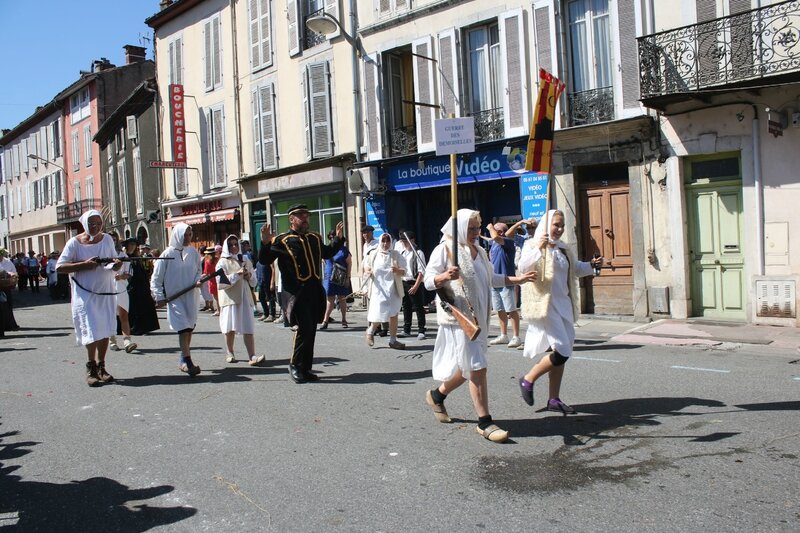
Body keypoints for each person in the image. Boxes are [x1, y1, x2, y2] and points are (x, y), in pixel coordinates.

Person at [422, 209, 537, 443]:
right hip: (459, 320)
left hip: (480, 319)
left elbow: (492, 278)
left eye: (478, 227)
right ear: (460, 228)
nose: (476, 232)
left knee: (468, 369)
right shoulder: (444, 249)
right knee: (477, 367)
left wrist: (518, 279)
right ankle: (485, 422)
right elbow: (427, 281)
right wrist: (444, 276)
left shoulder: (481, 251)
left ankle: (437, 395)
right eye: (471, 228)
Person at [517, 209, 604, 414]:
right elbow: (522, 267)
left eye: (562, 225)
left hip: (563, 304)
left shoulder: (563, 248)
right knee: (563, 350)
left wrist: (591, 266)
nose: (559, 229)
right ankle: (528, 379)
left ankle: (553, 399)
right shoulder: (532, 244)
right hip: (545, 306)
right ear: (546, 225)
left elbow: (575, 269)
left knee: (560, 353)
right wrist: (539, 247)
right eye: (556, 224)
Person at [258, 204, 345, 383]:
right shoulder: (282, 240)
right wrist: (265, 243)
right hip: (296, 292)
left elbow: (328, 253)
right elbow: (265, 260)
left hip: (314, 290)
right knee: (304, 328)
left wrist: (337, 239)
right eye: (300, 216)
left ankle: (306, 368)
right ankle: (295, 365)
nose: (305, 218)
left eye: (306, 215)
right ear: (291, 219)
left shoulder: (314, 237)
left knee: (311, 329)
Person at [56, 210, 123, 387]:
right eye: (91, 224)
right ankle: (91, 366)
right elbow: (60, 267)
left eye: (98, 224)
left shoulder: (107, 239)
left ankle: (102, 366)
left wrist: (116, 264)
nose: (95, 227)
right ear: (85, 224)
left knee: (105, 329)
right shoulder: (74, 243)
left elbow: (111, 261)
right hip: (85, 296)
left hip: (105, 292)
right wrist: (84, 265)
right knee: (91, 329)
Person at [151, 223, 203, 376]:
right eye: (184, 235)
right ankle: (188, 361)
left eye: (189, 235)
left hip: (191, 296)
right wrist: (159, 296)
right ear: (177, 235)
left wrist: (198, 280)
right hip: (175, 298)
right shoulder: (167, 254)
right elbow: (156, 279)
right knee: (183, 328)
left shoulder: (193, 253)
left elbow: (198, 271)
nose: (187, 238)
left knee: (189, 327)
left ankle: (183, 358)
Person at [216, 235, 265, 366]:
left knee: (248, 326)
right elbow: (221, 283)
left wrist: (248, 276)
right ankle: (230, 352)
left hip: (245, 296)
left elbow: (254, 282)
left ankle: (252, 355)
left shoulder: (245, 259)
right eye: (231, 245)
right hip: (230, 298)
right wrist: (237, 275)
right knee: (229, 327)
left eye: (235, 244)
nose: (234, 247)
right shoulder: (222, 262)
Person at [485, 220, 528, 349]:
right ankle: (503, 335)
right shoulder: (494, 244)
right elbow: (491, 238)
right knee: (499, 309)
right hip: (495, 280)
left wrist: (491, 226)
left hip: (507, 280)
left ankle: (516, 336)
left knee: (511, 310)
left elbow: (496, 237)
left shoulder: (507, 242)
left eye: (498, 230)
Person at [364, 232, 406, 349]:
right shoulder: (373, 254)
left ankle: (393, 340)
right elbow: (366, 266)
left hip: (393, 289)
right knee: (379, 314)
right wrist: (368, 271)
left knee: (393, 314)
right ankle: (370, 331)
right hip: (378, 290)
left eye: (387, 241)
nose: (385, 244)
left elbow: (404, 271)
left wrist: (397, 270)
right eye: (383, 241)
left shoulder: (396, 255)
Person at [123, 239, 160, 337]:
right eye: (131, 244)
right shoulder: (124, 256)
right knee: (132, 307)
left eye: (134, 244)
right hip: (131, 286)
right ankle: (132, 327)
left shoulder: (138, 257)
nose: (133, 246)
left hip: (141, 285)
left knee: (144, 305)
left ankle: (144, 327)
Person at [109, 238, 139, 353]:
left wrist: (121, 277)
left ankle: (127, 340)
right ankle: (112, 340)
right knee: (110, 316)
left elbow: (128, 274)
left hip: (121, 288)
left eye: (114, 240)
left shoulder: (124, 256)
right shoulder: (105, 255)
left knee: (124, 315)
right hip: (108, 289)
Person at [320, 229, 351, 330]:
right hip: (329, 276)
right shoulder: (328, 248)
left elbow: (349, 263)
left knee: (342, 298)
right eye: (331, 236)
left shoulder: (343, 250)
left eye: (334, 236)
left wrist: (348, 277)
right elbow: (323, 260)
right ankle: (325, 320)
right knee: (330, 299)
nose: (333, 238)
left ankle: (344, 319)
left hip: (340, 276)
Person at [398, 231, 427, 340]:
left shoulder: (419, 253)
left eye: (406, 241)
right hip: (404, 281)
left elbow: (421, 271)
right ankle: (407, 329)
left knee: (418, 306)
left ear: (412, 240)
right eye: (403, 241)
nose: (404, 243)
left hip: (414, 282)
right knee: (406, 307)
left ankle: (421, 330)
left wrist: (415, 286)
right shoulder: (402, 253)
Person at [0, 248, 19, 332]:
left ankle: (10, 324)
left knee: (8, 306)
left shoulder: (7, 262)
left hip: (6, 287)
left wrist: (11, 277)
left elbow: (14, 272)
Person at [256, 255, 278, 322]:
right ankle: (266, 313)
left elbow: (273, 270)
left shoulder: (268, 261)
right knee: (261, 298)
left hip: (267, 281)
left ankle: (272, 315)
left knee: (270, 298)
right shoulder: (258, 262)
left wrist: (272, 282)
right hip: (261, 282)